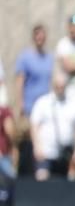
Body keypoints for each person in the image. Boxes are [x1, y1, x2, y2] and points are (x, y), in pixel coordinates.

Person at [13, 25, 55, 177]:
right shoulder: (25, 57)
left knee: (41, 145)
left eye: (42, 35)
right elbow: (19, 82)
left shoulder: (50, 58)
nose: (40, 38)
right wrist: (20, 105)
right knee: (25, 143)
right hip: (30, 107)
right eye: (37, 35)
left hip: (45, 110)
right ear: (33, 37)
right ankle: (19, 174)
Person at [29, 73, 75, 181]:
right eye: (58, 86)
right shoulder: (43, 102)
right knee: (42, 177)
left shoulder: (72, 104)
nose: (60, 89)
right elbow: (34, 125)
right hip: (46, 151)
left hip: (65, 153)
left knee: (69, 180)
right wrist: (37, 146)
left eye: (62, 86)